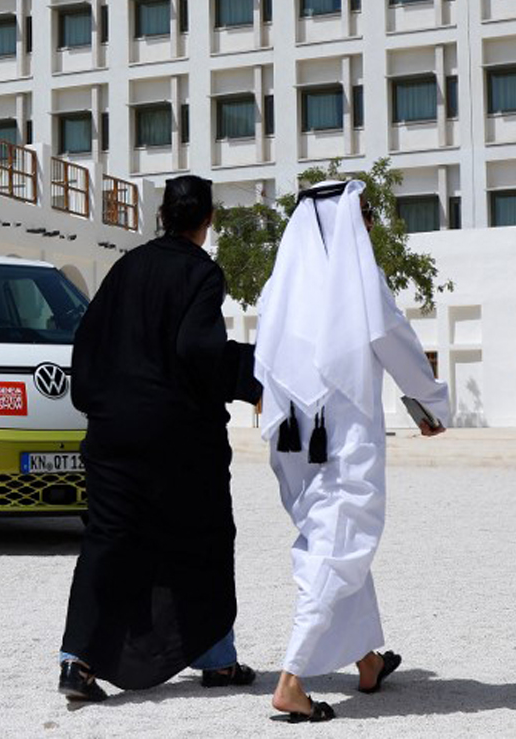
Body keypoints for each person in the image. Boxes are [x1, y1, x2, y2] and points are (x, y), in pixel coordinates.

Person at [58, 175, 263, 702]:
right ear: (208, 220)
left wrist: (99, 404)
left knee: (107, 540)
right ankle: (217, 663)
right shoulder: (201, 273)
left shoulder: (125, 267)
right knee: (205, 538)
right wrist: (253, 373)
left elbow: (88, 341)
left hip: (112, 433)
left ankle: (76, 663)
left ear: (162, 216)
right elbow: (198, 349)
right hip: (176, 439)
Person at [254, 181, 450, 723]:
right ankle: (291, 681)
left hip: (291, 437)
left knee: (333, 535)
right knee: (342, 542)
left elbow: (264, 355)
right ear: (343, 218)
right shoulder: (357, 277)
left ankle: (366, 662)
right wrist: (431, 403)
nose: (368, 223)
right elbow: (392, 337)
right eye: (363, 212)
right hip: (343, 432)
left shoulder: (282, 283)